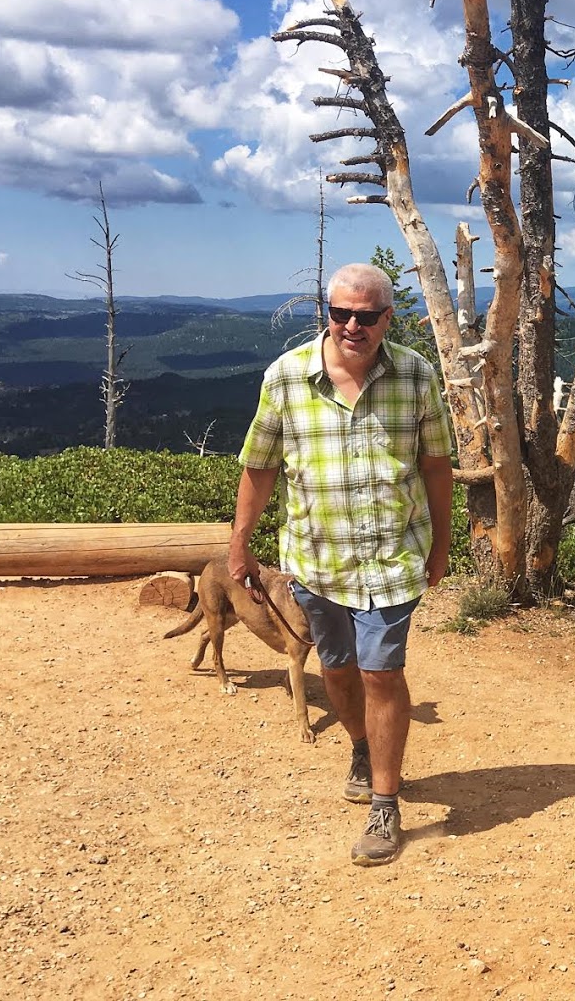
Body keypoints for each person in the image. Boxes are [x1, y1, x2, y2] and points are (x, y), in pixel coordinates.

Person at [228, 262, 453, 867]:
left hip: (391, 555)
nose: (353, 325)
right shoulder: (285, 378)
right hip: (316, 559)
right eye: (341, 313)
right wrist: (239, 545)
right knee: (338, 669)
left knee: (382, 672)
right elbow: (260, 467)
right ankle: (360, 744)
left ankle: (386, 800)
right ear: (327, 312)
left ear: (387, 317)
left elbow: (436, 465)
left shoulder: (415, 374)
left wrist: (442, 543)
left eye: (367, 315)